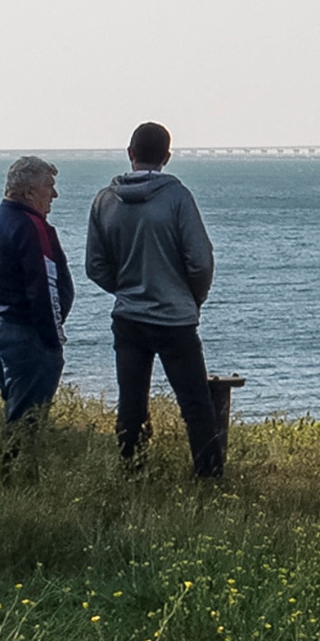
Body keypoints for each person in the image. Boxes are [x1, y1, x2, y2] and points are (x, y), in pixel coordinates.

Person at [85, 122, 222, 477]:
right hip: (176, 318)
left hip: (129, 317)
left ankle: (131, 473)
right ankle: (209, 476)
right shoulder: (177, 198)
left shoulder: (104, 200)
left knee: (131, 404)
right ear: (167, 157)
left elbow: (95, 266)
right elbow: (201, 259)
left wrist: (127, 288)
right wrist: (193, 297)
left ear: (130, 153)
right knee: (195, 404)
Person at [0, 156, 76, 463]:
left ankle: (12, 479)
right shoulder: (32, 226)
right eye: (49, 187)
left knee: (15, 410)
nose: (53, 195)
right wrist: (54, 338)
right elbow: (45, 285)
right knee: (27, 422)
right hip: (24, 333)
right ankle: (15, 482)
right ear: (30, 192)